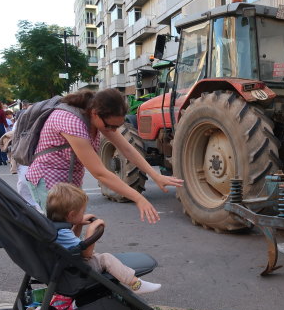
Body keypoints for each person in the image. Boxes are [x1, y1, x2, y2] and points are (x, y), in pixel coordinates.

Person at [25, 89, 182, 223]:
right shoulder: (71, 122)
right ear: (95, 113)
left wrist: (155, 175)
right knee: (58, 230)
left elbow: (127, 149)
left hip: (70, 180)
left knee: (71, 227)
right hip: (48, 178)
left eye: (117, 126)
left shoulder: (98, 118)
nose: (113, 131)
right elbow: (100, 173)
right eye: (110, 126)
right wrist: (139, 198)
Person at [47, 182, 161, 294]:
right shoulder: (62, 233)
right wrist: (91, 230)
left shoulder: (55, 229)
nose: (83, 214)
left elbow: (73, 246)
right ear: (71, 215)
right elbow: (87, 253)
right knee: (106, 258)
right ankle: (136, 284)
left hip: (66, 265)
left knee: (100, 257)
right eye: (82, 212)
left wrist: (78, 224)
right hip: (76, 271)